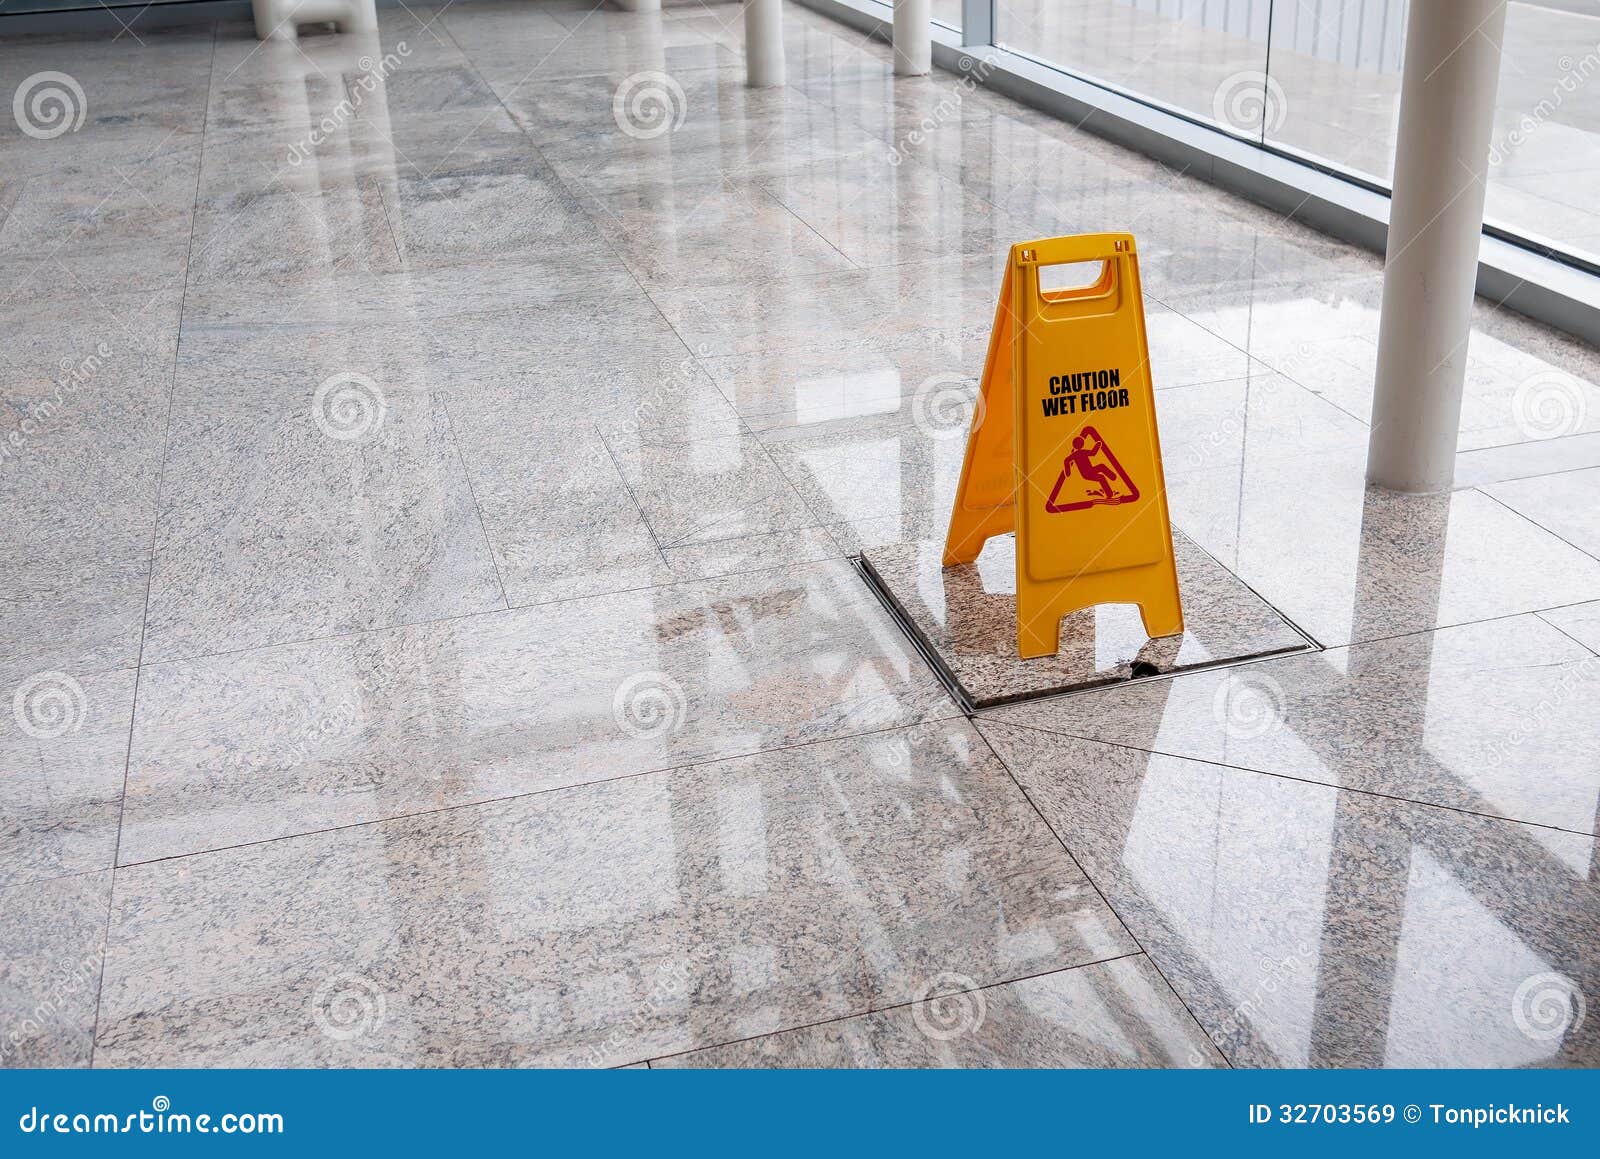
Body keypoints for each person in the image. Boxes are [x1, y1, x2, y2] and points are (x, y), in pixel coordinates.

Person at [1062, 432, 1120, 499]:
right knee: (1101, 476)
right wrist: (1097, 445)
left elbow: (1066, 460)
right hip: (1087, 473)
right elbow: (1093, 453)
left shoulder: (1076, 453)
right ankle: (1110, 491)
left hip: (1089, 471)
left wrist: (1068, 472)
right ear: (1082, 444)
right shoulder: (1079, 453)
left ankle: (1112, 478)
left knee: (1101, 469)